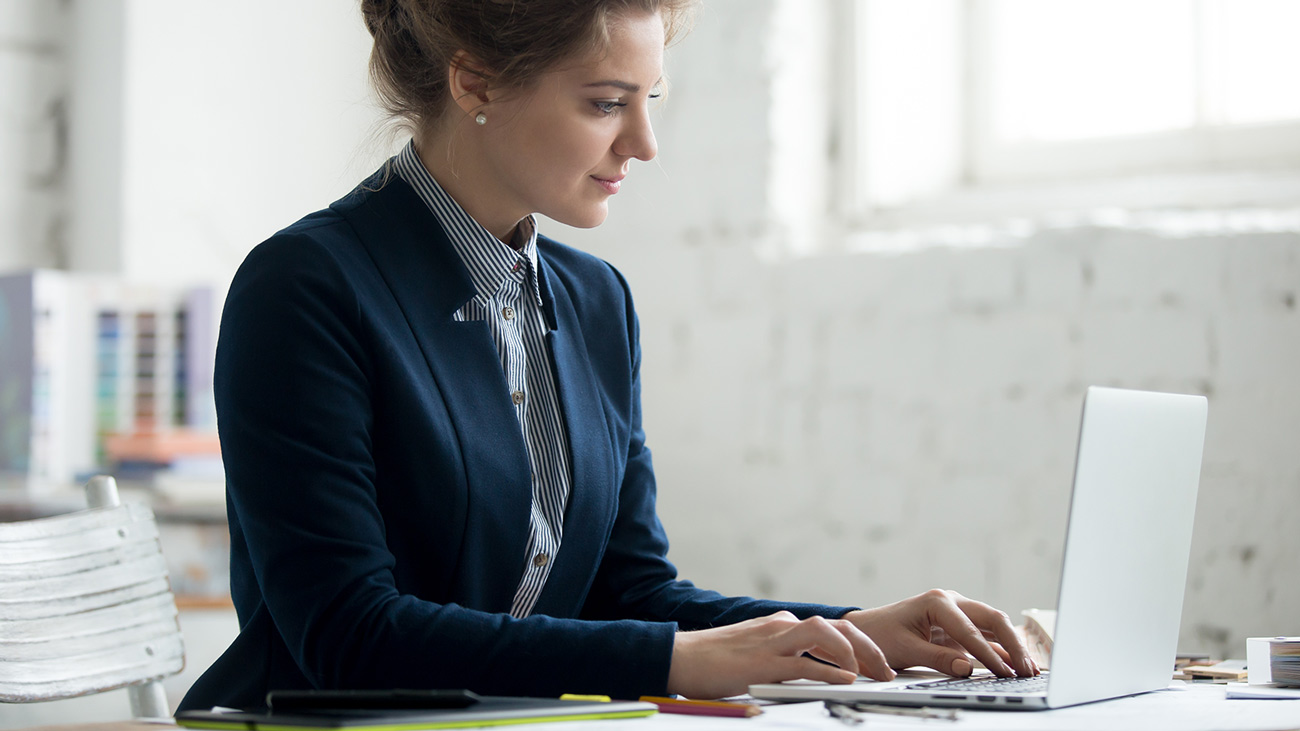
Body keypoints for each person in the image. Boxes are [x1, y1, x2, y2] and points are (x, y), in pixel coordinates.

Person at [178, 0, 1037, 712]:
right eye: (604, 102)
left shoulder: (596, 303)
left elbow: (632, 594)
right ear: (474, 80)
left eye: (650, 98)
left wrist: (858, 629)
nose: (643, 143)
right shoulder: (306, 287)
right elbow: (347, 637)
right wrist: (675, 661)